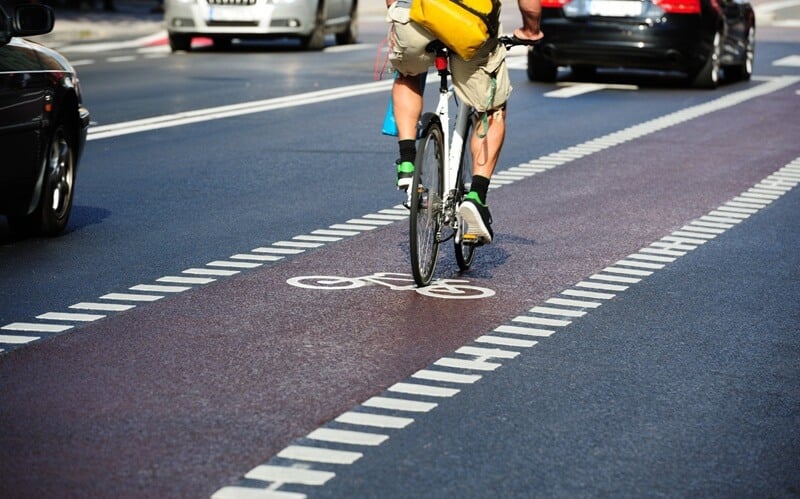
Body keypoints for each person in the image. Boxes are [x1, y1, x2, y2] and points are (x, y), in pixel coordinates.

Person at [386, 0, 542, 244]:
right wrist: (531, 31)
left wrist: (395, 10)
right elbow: (530, 5)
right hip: (469, 22)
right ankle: (476, 197)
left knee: (407, 74)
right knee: (492, 109)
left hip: (414, 15)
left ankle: (407, 162)